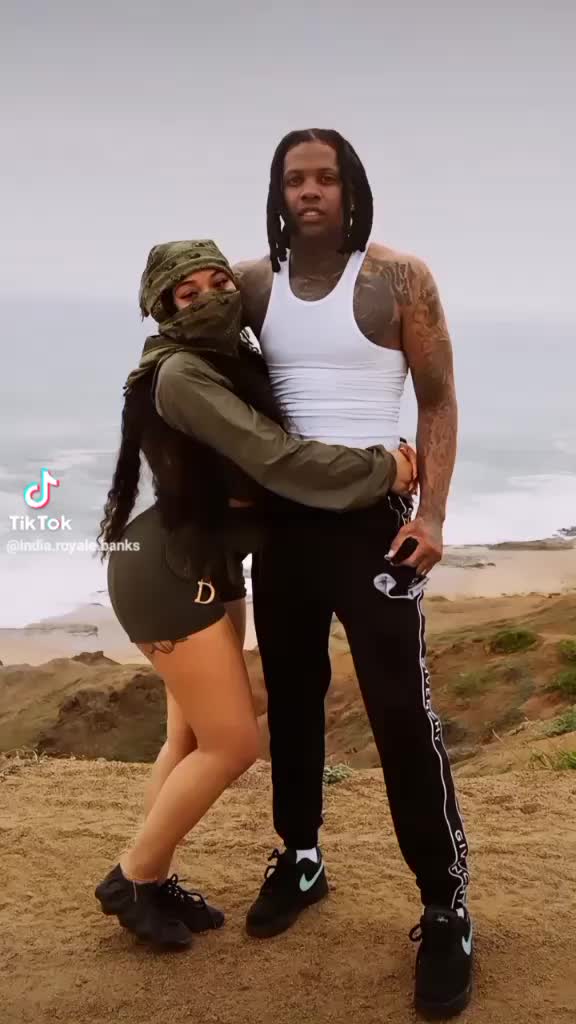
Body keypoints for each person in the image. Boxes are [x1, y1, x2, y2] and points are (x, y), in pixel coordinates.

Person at [93, 238, 417, 950]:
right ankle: (130, 877)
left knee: (188, 738)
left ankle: (152, 877)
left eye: (219, 282)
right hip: (168, 576)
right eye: (189, 293)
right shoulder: (182, 373)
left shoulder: (226, 359)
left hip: (208, 567)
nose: (211, 298)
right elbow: (276, 459)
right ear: (163, 309)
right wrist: (382, 470)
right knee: (234, 744)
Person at [234, 130, 473, 1019]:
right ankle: (301, 857)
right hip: (282, 529)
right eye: (294, 179)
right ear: (278, 192)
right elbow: (199, 368)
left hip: (375, 527)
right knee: (292, 700)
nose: (310, 191)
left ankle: (445, 905)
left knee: (400, 713)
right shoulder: (251, 285)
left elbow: (437, 396)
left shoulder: (398, 279)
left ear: (351, 189)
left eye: (325, 178)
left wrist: (432, 514)